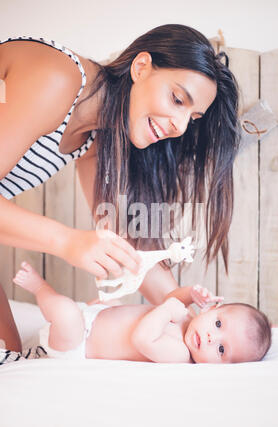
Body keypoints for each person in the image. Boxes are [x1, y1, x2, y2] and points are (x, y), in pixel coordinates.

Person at [0, 25, 241, 346]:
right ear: (141, 67)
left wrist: (188, 312)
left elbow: (129, 246)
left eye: (192, 118)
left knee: (12, 358)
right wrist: (68, 241)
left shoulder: (96, 138)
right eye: (178, 99)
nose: (180, 127)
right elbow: (81, 243)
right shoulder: (56, 77)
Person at [5, 261, 271, 364]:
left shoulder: (181, 353)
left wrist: (168, 309)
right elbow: (170, 299)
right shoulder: (192, 322)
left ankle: (39, 287)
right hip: (95, 318)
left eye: (222, 350)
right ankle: (97, 309)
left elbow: (142, 339)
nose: (213, 338)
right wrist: (189, 294)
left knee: (65, 312)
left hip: (77, 344)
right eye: (218, 324)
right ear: (212, 308)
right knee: (114, 300)